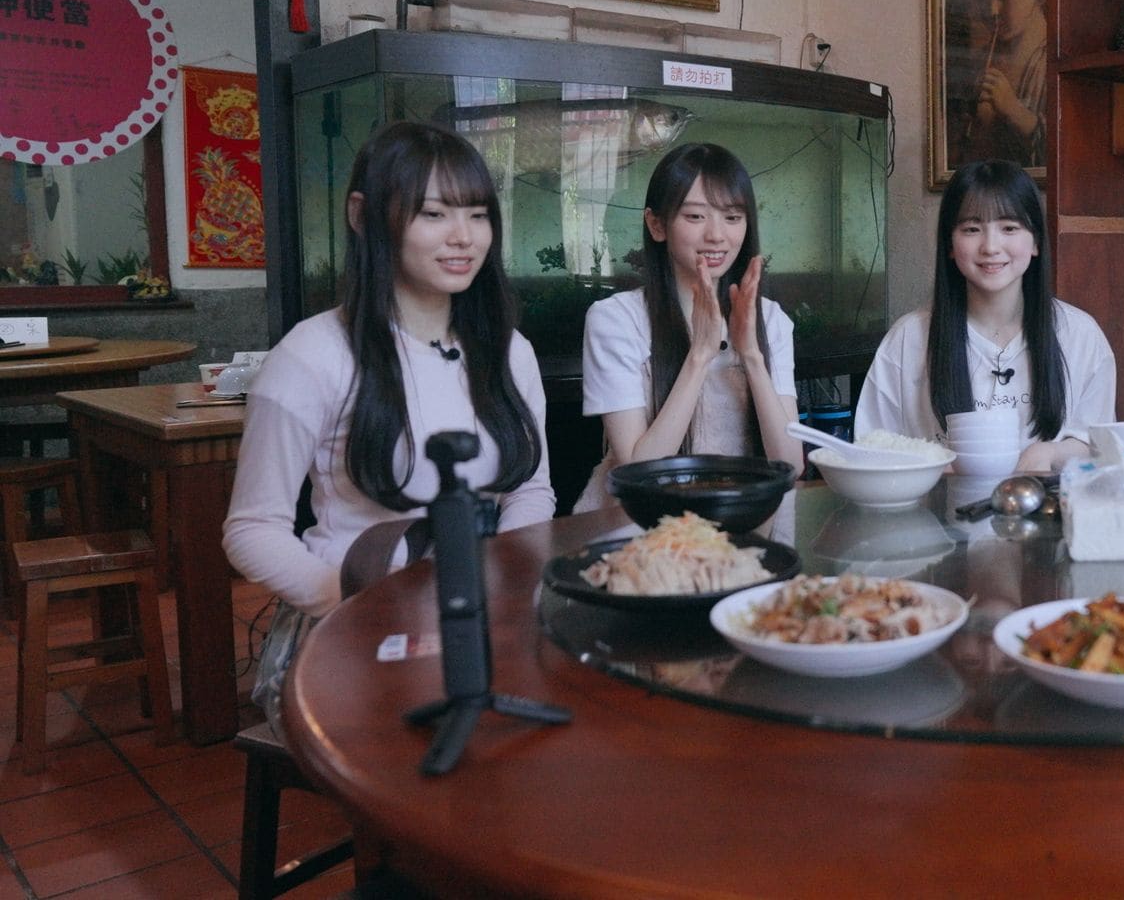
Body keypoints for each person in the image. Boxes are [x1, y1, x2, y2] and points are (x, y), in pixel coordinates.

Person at [225, 121, 553, 725]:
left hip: (482, 621)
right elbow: (251, 530)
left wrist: (497, 586)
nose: (463, 237)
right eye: (434, 214)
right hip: (355, 628)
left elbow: (530, 490)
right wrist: (364, 606)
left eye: (478, 215)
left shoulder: (510, 351)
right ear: (363, 214)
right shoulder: (312, 355)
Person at [577, 143, 801, 512]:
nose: (717, 235)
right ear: (657, 225)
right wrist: (699, 355)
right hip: (641, 523)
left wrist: (751, 355)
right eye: (696, 216)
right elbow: (637, 473)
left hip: (741, 518)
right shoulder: (616, 319)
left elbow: (790, 464)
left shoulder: (770, 319)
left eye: (732, 217)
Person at [857, 159, 1114, 472]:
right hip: (935, 504)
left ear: (1035, 241)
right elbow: (873, 447)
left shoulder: (1080, 335)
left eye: (1009, 228)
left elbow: (1099, 443)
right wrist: (931, 467)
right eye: (971, 229)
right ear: (950, 244)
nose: (991, 247)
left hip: (1048, 502)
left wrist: (1051, 452)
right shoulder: (908, 339)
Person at [956, 0, 1047, 169]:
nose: (993, 9)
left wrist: (1013, 109)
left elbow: (1063, 153)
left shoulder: (1053, 61)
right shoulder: (983, 60)